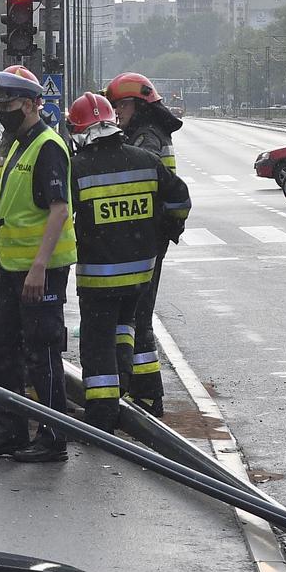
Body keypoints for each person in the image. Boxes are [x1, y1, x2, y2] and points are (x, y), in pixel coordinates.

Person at [0, 65, 76, 463]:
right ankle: (10, 429)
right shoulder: (16, 144)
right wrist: (4, 262)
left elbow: (59, 210)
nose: (3, 112)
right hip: (15, 269)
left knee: (42, 353)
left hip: (40, 271)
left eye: (9, 104)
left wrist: (39, 267)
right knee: (5, 350)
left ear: (32, 104)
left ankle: (52, 437)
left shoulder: (47, 146)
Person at [65, 93, 188, 433]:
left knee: (98, 343)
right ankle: (146, 394)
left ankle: (102, 416)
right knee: (130, 329)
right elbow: (180, 199)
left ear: (80, 132)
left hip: (99, 278)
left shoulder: (77, 168)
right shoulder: (145, 160)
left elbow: (59, 217)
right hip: (140, 274)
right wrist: (167, 229)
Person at [104, 71, 185, 416]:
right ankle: (143, 392)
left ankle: (148, 395)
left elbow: (136, 179)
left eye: (120, 106)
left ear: (137, 105)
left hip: (145, 236)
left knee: (138, 315)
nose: (117, 113)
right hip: (149, 235)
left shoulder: (146, 138)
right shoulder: (147, 132)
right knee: (137, 314)